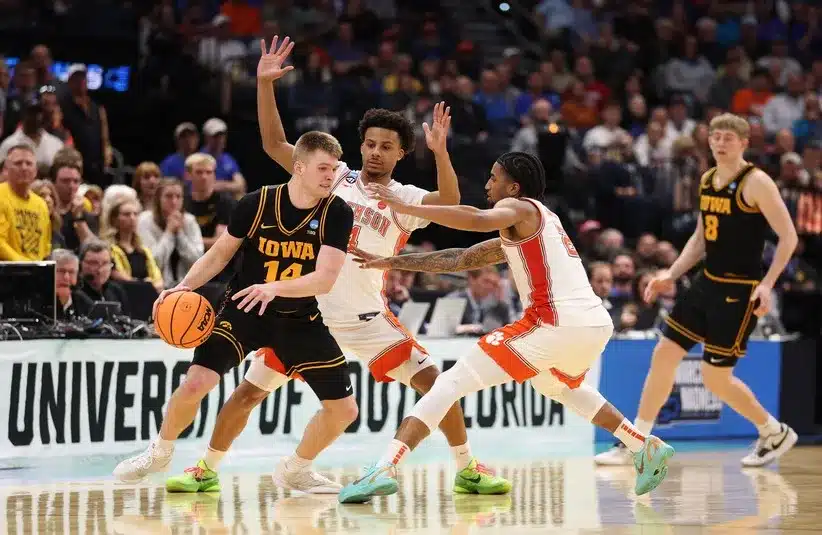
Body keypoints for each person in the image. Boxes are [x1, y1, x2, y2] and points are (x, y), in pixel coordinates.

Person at [164, 36, 511, 496]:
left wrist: (442, 151)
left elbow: (449, 200)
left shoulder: (404, 198)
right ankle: (206, 468)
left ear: (401, 154)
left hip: (365, 317)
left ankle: (466, 467)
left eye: (386, 147)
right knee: (248, 392)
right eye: (369, 144)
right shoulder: (334, 176)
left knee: (436, 384)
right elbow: (273, 143)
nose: (375, 152)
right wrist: (264, 84)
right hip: (306, 313)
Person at [337, 149, 675, 504]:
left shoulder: (520, 208)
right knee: (557, 387)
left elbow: (473, 218)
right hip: (591, 325)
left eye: (494, 178)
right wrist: (390, 261)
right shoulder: (533, 223)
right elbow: (462, 258)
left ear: (513, 187)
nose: (487, 184)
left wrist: (408, 207)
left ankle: (384, 467)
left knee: (448, 383)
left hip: (554, 322)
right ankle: (643, 445)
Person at [113, 131, 357, 484]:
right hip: (244, 309)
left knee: (344, 410)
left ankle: (296, 469)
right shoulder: (257, 203)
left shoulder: (337, 212)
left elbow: (325, 279)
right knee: (196, 382)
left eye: (334, 169)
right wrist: (182, 287)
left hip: (298, 318)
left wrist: (272, 288)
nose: (330, 176)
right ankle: (160, 453)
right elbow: (218, 255)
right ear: (299, 167)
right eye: (322, 168)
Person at [595, 113, 799, 468]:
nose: (720, 143)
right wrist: (670, 274)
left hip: (740, 291)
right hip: (706, 283)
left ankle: (773, 431)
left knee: (715, 378)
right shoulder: (707, 179)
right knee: (663, 355)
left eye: (728, 138)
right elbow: (702, 236)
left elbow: (789, 237)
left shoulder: (757, 182)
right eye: (715, 136)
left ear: (743, 143)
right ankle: (638, 441)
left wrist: (767, 285)